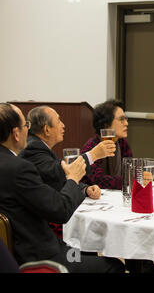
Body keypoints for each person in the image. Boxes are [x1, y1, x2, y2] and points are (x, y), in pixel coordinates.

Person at [0, 103, 124, 272]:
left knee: (88, 251)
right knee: (112, 265)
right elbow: (60, 210)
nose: (27, 131)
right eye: (25, 125)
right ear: (16, 133)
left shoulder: (12, 164)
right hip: (42, 257)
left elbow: (49, 185)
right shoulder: (19, 167)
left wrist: (82, 188)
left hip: (14, 253)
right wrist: (73, 179)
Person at [19, 105, 116, 238]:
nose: (63, 125)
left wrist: (85, 189)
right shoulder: (33, 148)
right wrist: (92, 155)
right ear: (47, 129)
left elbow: (56, 179)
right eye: (59, 121)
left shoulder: (41, 146)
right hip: (44, 231)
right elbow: (57, 172)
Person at [81, 99, 133, 190]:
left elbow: (131, 170)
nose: (126, 123)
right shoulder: (91, 147)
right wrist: (128, 180)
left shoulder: (122, 143)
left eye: (126, 119)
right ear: (106, 124)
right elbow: (98, 181)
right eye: (121, 119)